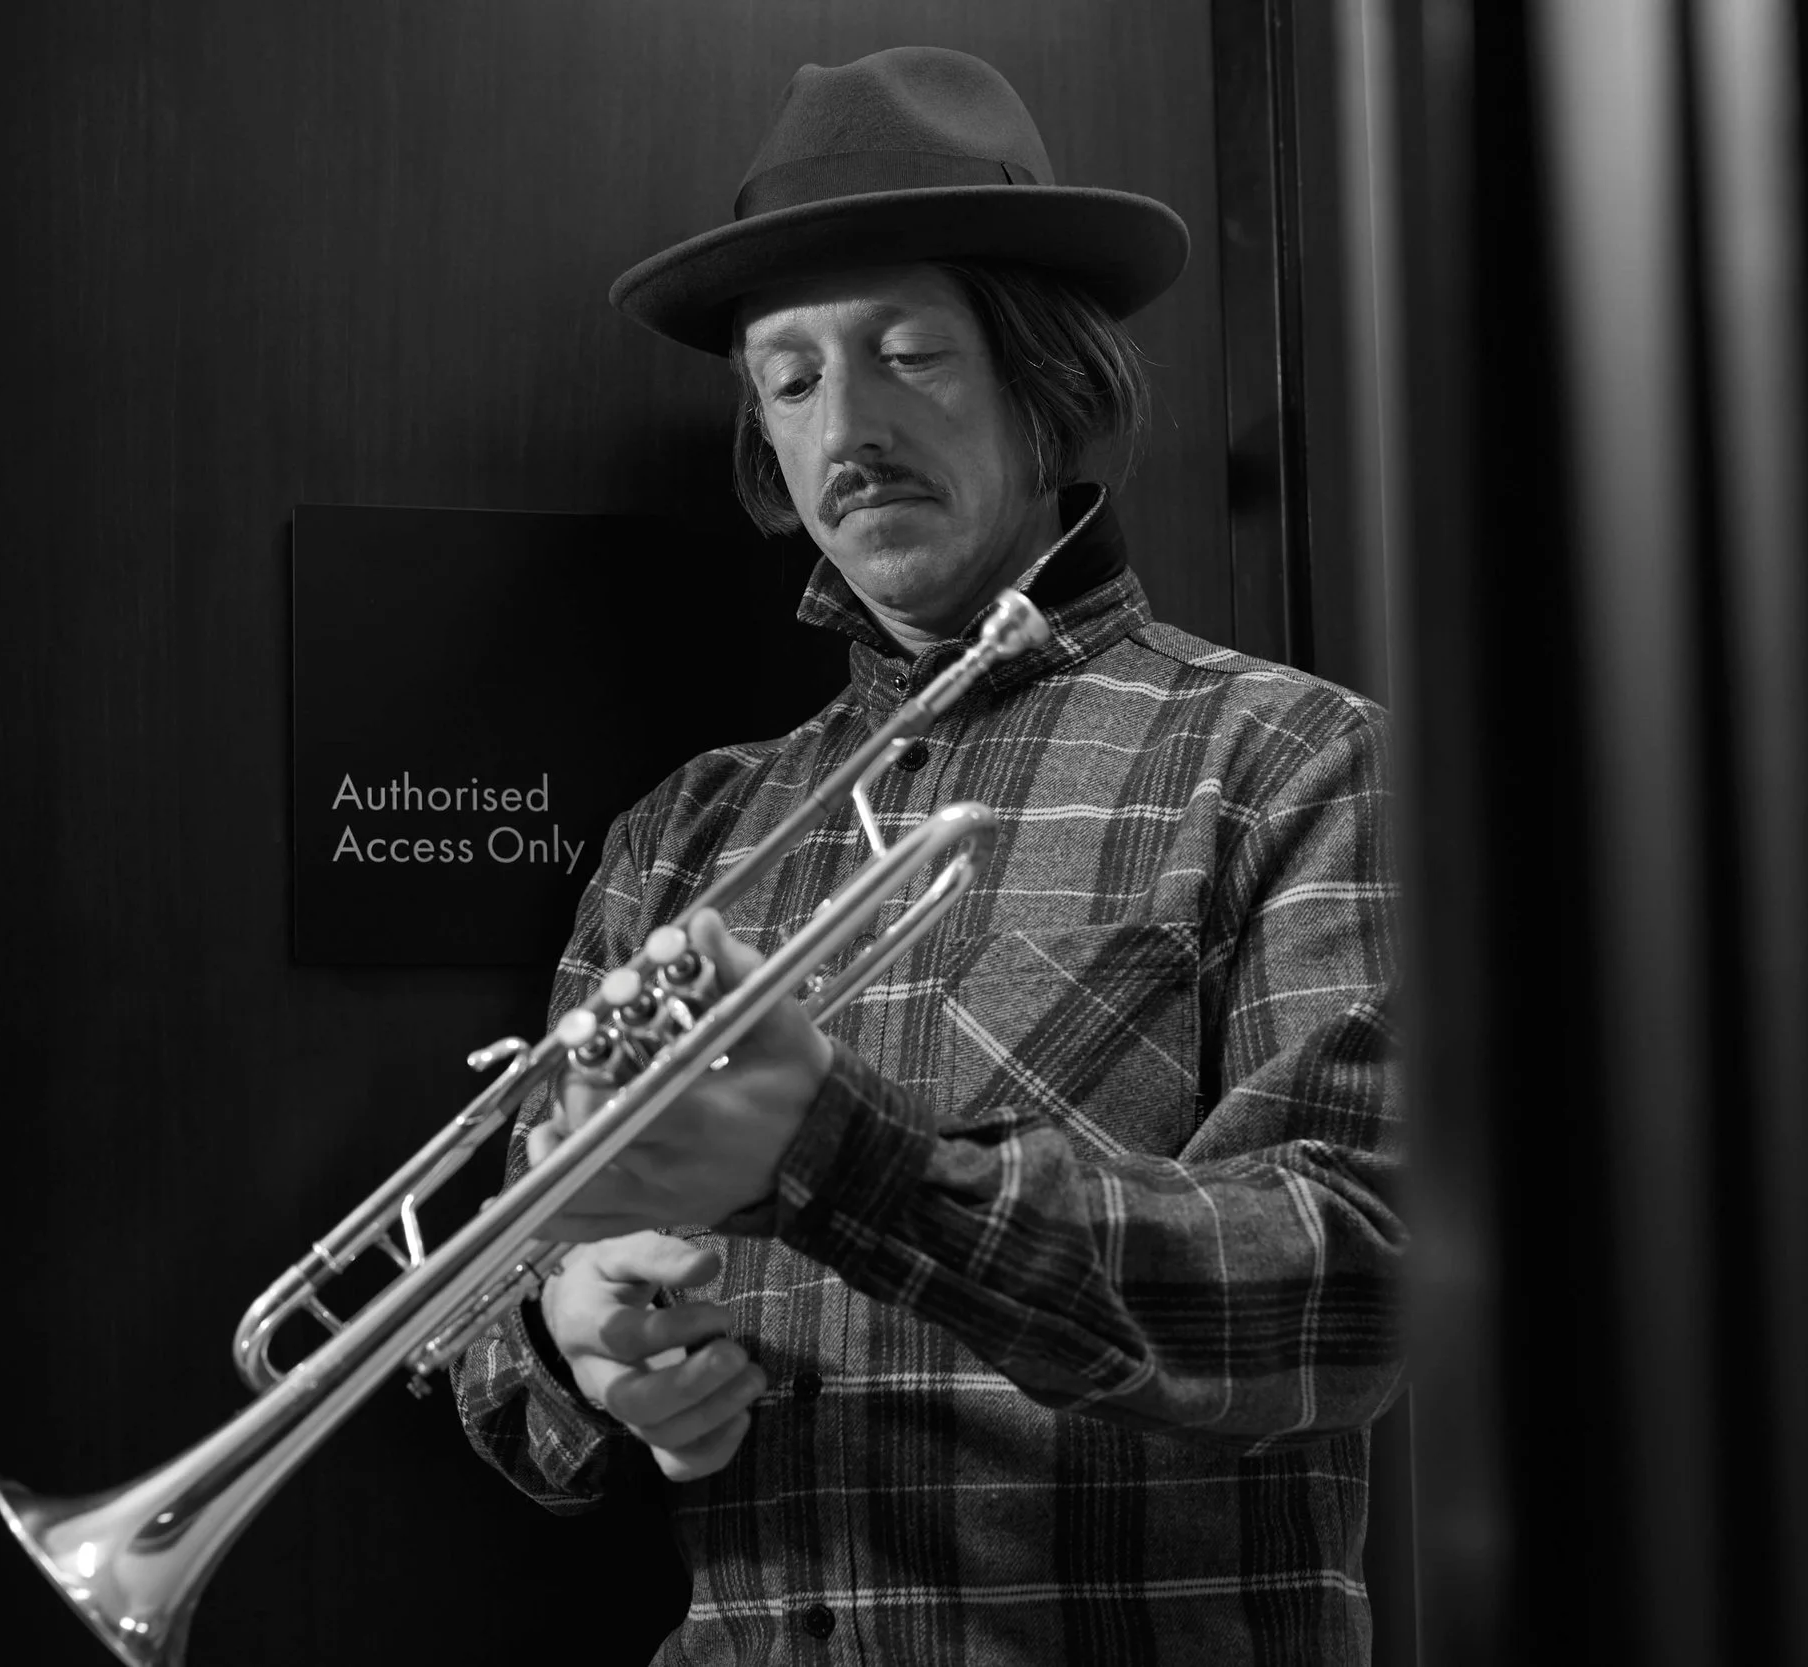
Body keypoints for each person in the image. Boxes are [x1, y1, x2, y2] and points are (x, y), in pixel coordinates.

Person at [453, 45, 1403, 1665]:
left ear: (1048, 381)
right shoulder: (681, 835)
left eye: (909, 355)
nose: (850, 429)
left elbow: (1354, 1291)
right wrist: (570, 1341)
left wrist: (850, 1159)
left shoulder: (1293, 760)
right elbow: (500, 1346)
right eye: (790, 380)